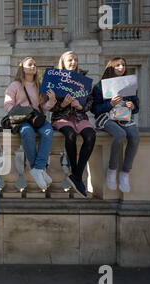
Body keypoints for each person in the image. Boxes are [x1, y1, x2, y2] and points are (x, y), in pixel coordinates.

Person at [4, 56, 57, 191]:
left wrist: (51, 100)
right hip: (22, 119)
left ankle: (38, 168)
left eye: (35, 64)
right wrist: (19, 113)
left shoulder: (40, 85)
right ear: (22, 67)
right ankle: (38, 169)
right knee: (26, 132)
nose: (33, 66)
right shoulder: (15, 85)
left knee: (48, 131)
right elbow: (8, 105)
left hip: (37, 118)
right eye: (30, 64)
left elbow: (43, 108)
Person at [50, 51, 96, 197]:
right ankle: (76, 177)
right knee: (70, 135)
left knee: (91, 135)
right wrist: (63, 104)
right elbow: (50, 106)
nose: (73, 62)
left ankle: (76, 174)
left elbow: (90, 101)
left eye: (75, 60)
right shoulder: (56, 79)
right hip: (61, 117)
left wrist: (80, 106)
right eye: (70, 60)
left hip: (79, 116)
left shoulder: (83, 79)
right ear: (63, 62)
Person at [91, 57, 140, 192]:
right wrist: (110, 104)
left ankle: (125, 172)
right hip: (106, 118)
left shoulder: (129, 84)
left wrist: (132, 106)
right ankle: (112, 170)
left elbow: (136, 108)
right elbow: (94, 109)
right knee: (120, 135)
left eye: (123, 65)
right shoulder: (100, 86)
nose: (121, 67)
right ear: (111, 67)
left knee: (135, 137)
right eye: (117, 65)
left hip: (124, 118)